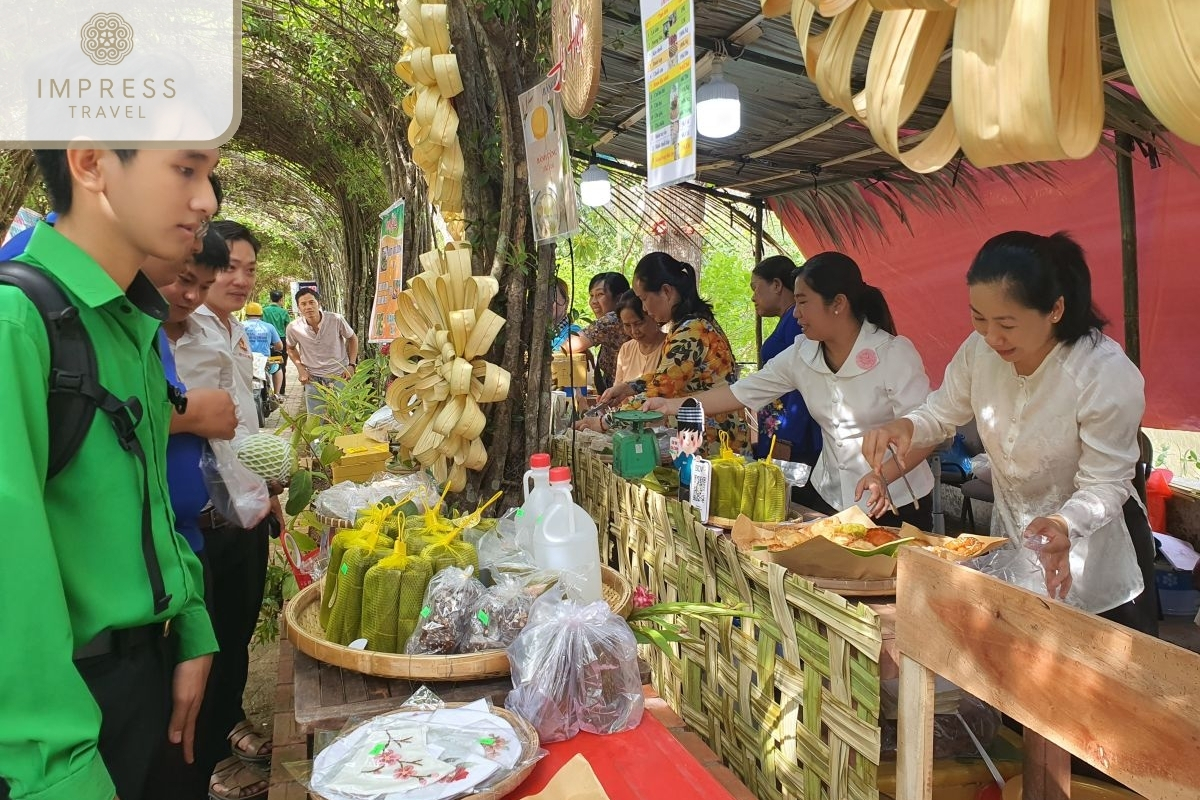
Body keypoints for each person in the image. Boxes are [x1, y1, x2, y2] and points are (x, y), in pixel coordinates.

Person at [0, 147, 219, 800]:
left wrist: (190, 627)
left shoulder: (126, 321)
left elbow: (149, 498)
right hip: (65, 724)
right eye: (186, 170)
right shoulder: (21, 324)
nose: (207, 199)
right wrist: (59, 772)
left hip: (145, 679)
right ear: (92, 163)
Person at [862, 231, 1157, 634]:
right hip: (1018, 542)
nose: (991, 337)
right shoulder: (979, 351)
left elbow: (1107, 483)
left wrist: (1063, 523)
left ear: (1055, 309)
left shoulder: (1102, 373)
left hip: (1096, 551)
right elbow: (941, 411)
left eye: (1006, 323)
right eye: (978, 318)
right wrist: (906, 425)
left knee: (1103, 679)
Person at [644, 252, 935, 529]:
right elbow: (743, 392)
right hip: (832, 497)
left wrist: (883, 476)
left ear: (838, 303)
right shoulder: (802, 354)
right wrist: (674, 405)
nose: (796, 313)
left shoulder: (893, 353)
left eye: (804, 302)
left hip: (896, 504)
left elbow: (927, 431)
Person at [186, 220, 281, 799]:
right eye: (230, 268)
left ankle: (230, 721)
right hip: (201, 516)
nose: (240, 279)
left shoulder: (237, 331)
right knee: (208, 637)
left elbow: (247, 425)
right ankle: (208, 756)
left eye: (249, 269)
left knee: (239, 628)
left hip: (245, 510)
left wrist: (267, 492)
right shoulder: (181, 327)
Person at [598, 252, 748, 455]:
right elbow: (669, 374)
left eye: (644, 299)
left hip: (715, 439)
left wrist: (604, 421)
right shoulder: (689, 325)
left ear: (666, 291)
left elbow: (661, 390)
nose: (644, 308)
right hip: (712, 432)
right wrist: (628, 387)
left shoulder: (690, 331)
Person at [750, 255, 822, 466]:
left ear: (776, 285)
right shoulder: (787, 320)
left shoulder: (795, 321)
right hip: (782, 430)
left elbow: (803, 381)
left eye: (755, 288)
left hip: (793, 437)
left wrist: (787, 438)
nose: (753, 297)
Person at [286, 286, 359, 416]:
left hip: (339, 376)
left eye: (311, 302)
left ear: (319, 303)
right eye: (303, 304)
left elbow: (352, 338)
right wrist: (300, 369)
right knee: (315, 421)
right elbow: (290, 349)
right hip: (313, 379)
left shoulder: (336, 319)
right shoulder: (293, 327)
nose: (308, 307)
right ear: (299, 308)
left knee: (343, 418)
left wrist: (351, 365)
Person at [561, 272, 631, 393]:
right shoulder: (626, 318)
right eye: (591, 295)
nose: (593, 301)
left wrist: (581, 347)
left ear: (619, 298)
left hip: (623, 396)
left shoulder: (612, 320)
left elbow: (567, 347)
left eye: (600, 295)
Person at [243, 301, 284, 401]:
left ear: (246, 314)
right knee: (277, 368)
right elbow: (280, 346)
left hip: (244, 360)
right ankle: (277, 394)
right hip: (265, 361)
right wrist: (274, 348)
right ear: (261, 314)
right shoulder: (269, 327)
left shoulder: (240, 326)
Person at [262, 290, 291, 394]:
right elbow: (288, 327)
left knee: (264, 365)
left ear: (270, 299)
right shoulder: (283, 312)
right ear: (281, 299)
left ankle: (265, 391)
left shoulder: (264, 310)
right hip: (280, 343)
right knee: (280, 366)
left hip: (266, 341)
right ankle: (280, 392)